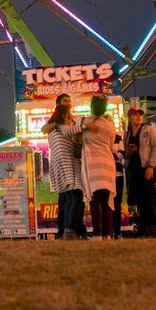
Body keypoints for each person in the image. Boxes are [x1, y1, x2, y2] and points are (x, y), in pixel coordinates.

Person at [42, 102, 86, 239]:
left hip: (60, 168)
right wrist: (86, 126)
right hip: (68, 166)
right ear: (62, 116)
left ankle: (68, 230)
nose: (71, 119)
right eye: (69, 115)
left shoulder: (53, 129)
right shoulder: (61, 128)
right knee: (76, 196)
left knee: (69, 199)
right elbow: (71, 130)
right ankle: (69, 230)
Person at [81, 95, 117, 239]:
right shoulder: (109, 125)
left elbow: (73, 132)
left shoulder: (83, 121)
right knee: (106, 201)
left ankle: (97, 234)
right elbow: (111, 145)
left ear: (91, 107)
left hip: (91, 165)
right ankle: (107, 234)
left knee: (94, 201)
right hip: (107, 164)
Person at [123, 108, 156, 237]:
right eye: (135, 115)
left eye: (140, 115)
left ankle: (152, 227)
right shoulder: (127, 135)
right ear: (129, 118)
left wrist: (151, 166)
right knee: (138, 199)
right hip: (135, 170)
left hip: (146, 167)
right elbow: (126, 155)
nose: (138, 117)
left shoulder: (148, 130)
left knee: (147, 197)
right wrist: (129, 151)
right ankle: (144, 227)